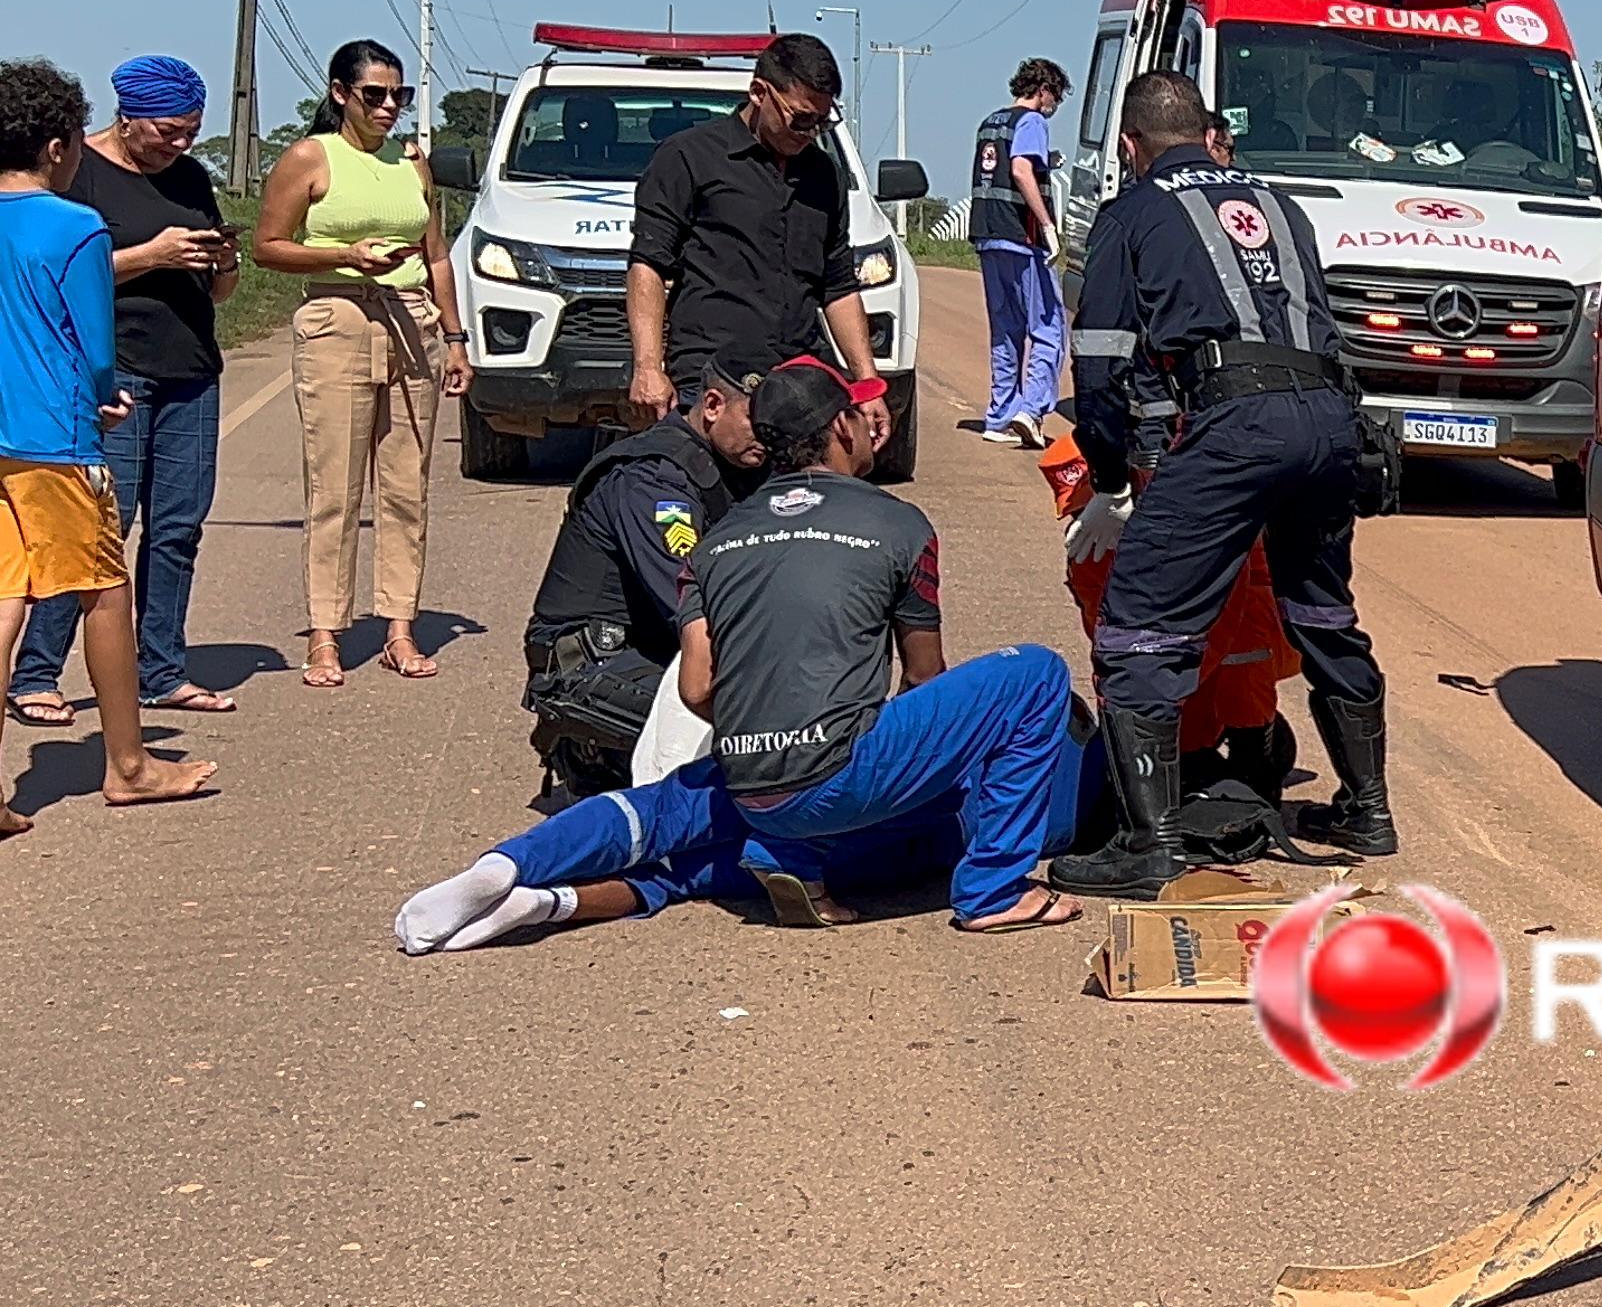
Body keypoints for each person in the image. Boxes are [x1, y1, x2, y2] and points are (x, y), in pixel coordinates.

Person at [399, 361, 1088, 948]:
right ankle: (994, 890)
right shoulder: (897, 521)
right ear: (842, 428)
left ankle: (511, 870)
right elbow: (924, 676)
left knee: (663, 809)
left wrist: (776, 726)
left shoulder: (719, 541)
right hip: (838, 775)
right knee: (1033, 674)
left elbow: (698, 689)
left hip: (755, 778)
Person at [1049, 72, 1392, 900]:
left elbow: (1099, 366)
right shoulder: (1280, 203)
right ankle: (1367, 810)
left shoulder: (1130, 213)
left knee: (1137, 630)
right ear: (1207, 135)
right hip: (1330, 418)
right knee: (1320, 610)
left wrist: (1108, 478)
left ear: (1129, 146)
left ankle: (1150, 841)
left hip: (1238, 426)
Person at [0, 58, 217, 831]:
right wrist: (103, 399)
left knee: (7, 595)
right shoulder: (73, 225)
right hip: (55, 435)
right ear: (60, 146)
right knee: (105, 588)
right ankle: (130, 764)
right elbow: (95, 347)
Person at [253, 40, 467, 687]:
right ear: (341, 93)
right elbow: (268, 246)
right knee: (335, 489)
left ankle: (400, 628)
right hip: (337, 316)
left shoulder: (411, 161)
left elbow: (435, 254)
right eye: (373, 94)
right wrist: (344, 255)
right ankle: (326, 633)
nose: (387, 107)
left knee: (406, 487)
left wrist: (455, 338)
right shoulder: (310, 157)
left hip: (411, 321)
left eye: (397, 95)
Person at [519, 350, 769, 802]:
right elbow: (688, 599)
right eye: (755, 422)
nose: (767, 438)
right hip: (592, 663)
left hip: (654, 648)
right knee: (758, 719)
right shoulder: (652, 478)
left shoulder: (734, 466)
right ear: (712, 406)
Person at [625, 34, 886, 437]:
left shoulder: (824, 175)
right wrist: (647, 368)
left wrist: (866, 385)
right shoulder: (688, 158)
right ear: (759, 92)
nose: (810, 133)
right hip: (716, 377)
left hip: (800, 377)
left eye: (822, 122)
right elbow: (649, 265)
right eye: (801, 119)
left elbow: (837, 286)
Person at [968, 58, 1071, 446]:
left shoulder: (990, 123)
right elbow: (1022, 171)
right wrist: (1047, 226)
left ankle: (1000, 415)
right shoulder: (1031, 122)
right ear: (1043, 89)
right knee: (1047, 327)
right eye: (1055, 97)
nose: (1054, 106)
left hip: (988, 235)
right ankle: (1031, 411)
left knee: (1006, 329)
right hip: (1022, 239)